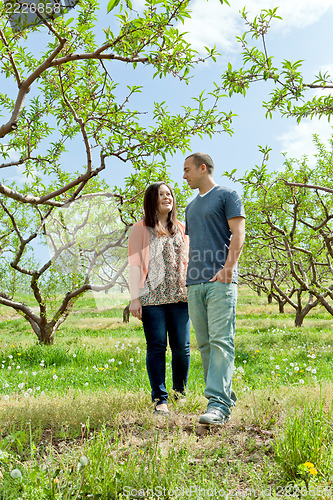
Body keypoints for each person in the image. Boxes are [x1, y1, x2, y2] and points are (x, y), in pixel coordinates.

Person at [183, 152, 245, 425]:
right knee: (205, 344)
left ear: (202, 168)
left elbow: (239, 233)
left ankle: (217, 404)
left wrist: (229, 268)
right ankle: (224, 396)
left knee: (221, 341)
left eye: (187, 170)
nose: (184, 175)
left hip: (220, 280)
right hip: (194, 283)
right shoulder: (190, 207)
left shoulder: (227, 195)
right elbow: (191, 245)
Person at [128, 181, 191, 415]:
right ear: (152, 200)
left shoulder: (182, 228)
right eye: (161, 194)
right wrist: (135, 299)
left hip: (180, 297)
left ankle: (180, 394)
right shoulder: (140, 229)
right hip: (152, 298)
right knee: (156, 348)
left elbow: (187, 261)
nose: (167, 198)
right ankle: (160, 399)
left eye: (169, 194)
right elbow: (134, 265)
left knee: (182, 348)